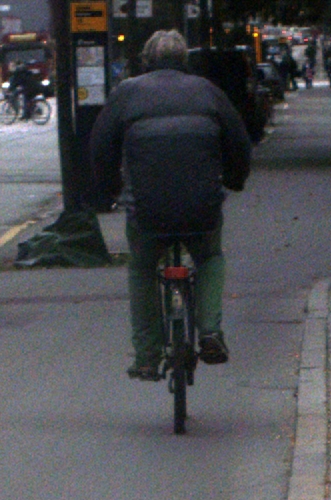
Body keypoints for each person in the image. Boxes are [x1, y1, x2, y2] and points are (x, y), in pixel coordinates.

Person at [90, 29, 251, 381]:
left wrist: (112, 190)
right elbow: (239, 142)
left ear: (147, 60)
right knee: (209, 258)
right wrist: (234, 179)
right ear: (184, 59)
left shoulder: (127, 93)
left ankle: (147, 356)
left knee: (142, 269)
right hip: (201, 205)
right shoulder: (208, 91)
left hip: (147, 209)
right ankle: (209, 331)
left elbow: (101, 148)